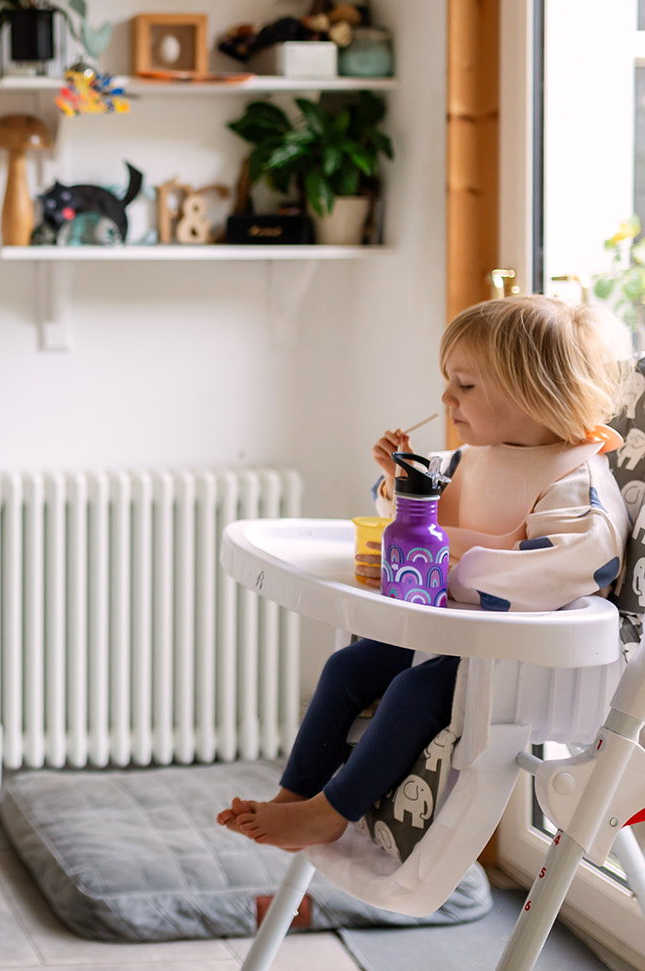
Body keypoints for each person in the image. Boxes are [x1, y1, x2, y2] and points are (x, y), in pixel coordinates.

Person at [219, 295, 629, 850]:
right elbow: (419, 510)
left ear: (532, 392)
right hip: (454, 635)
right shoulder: (478, 455)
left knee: (415, 691)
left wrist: (451, 572)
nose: (445, 399)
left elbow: (568, 566)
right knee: (348, 667)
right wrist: (400, 477)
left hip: (524, 662)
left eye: (465, 384)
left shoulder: (577, 482)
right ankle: (295, 796)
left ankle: (330, 812)